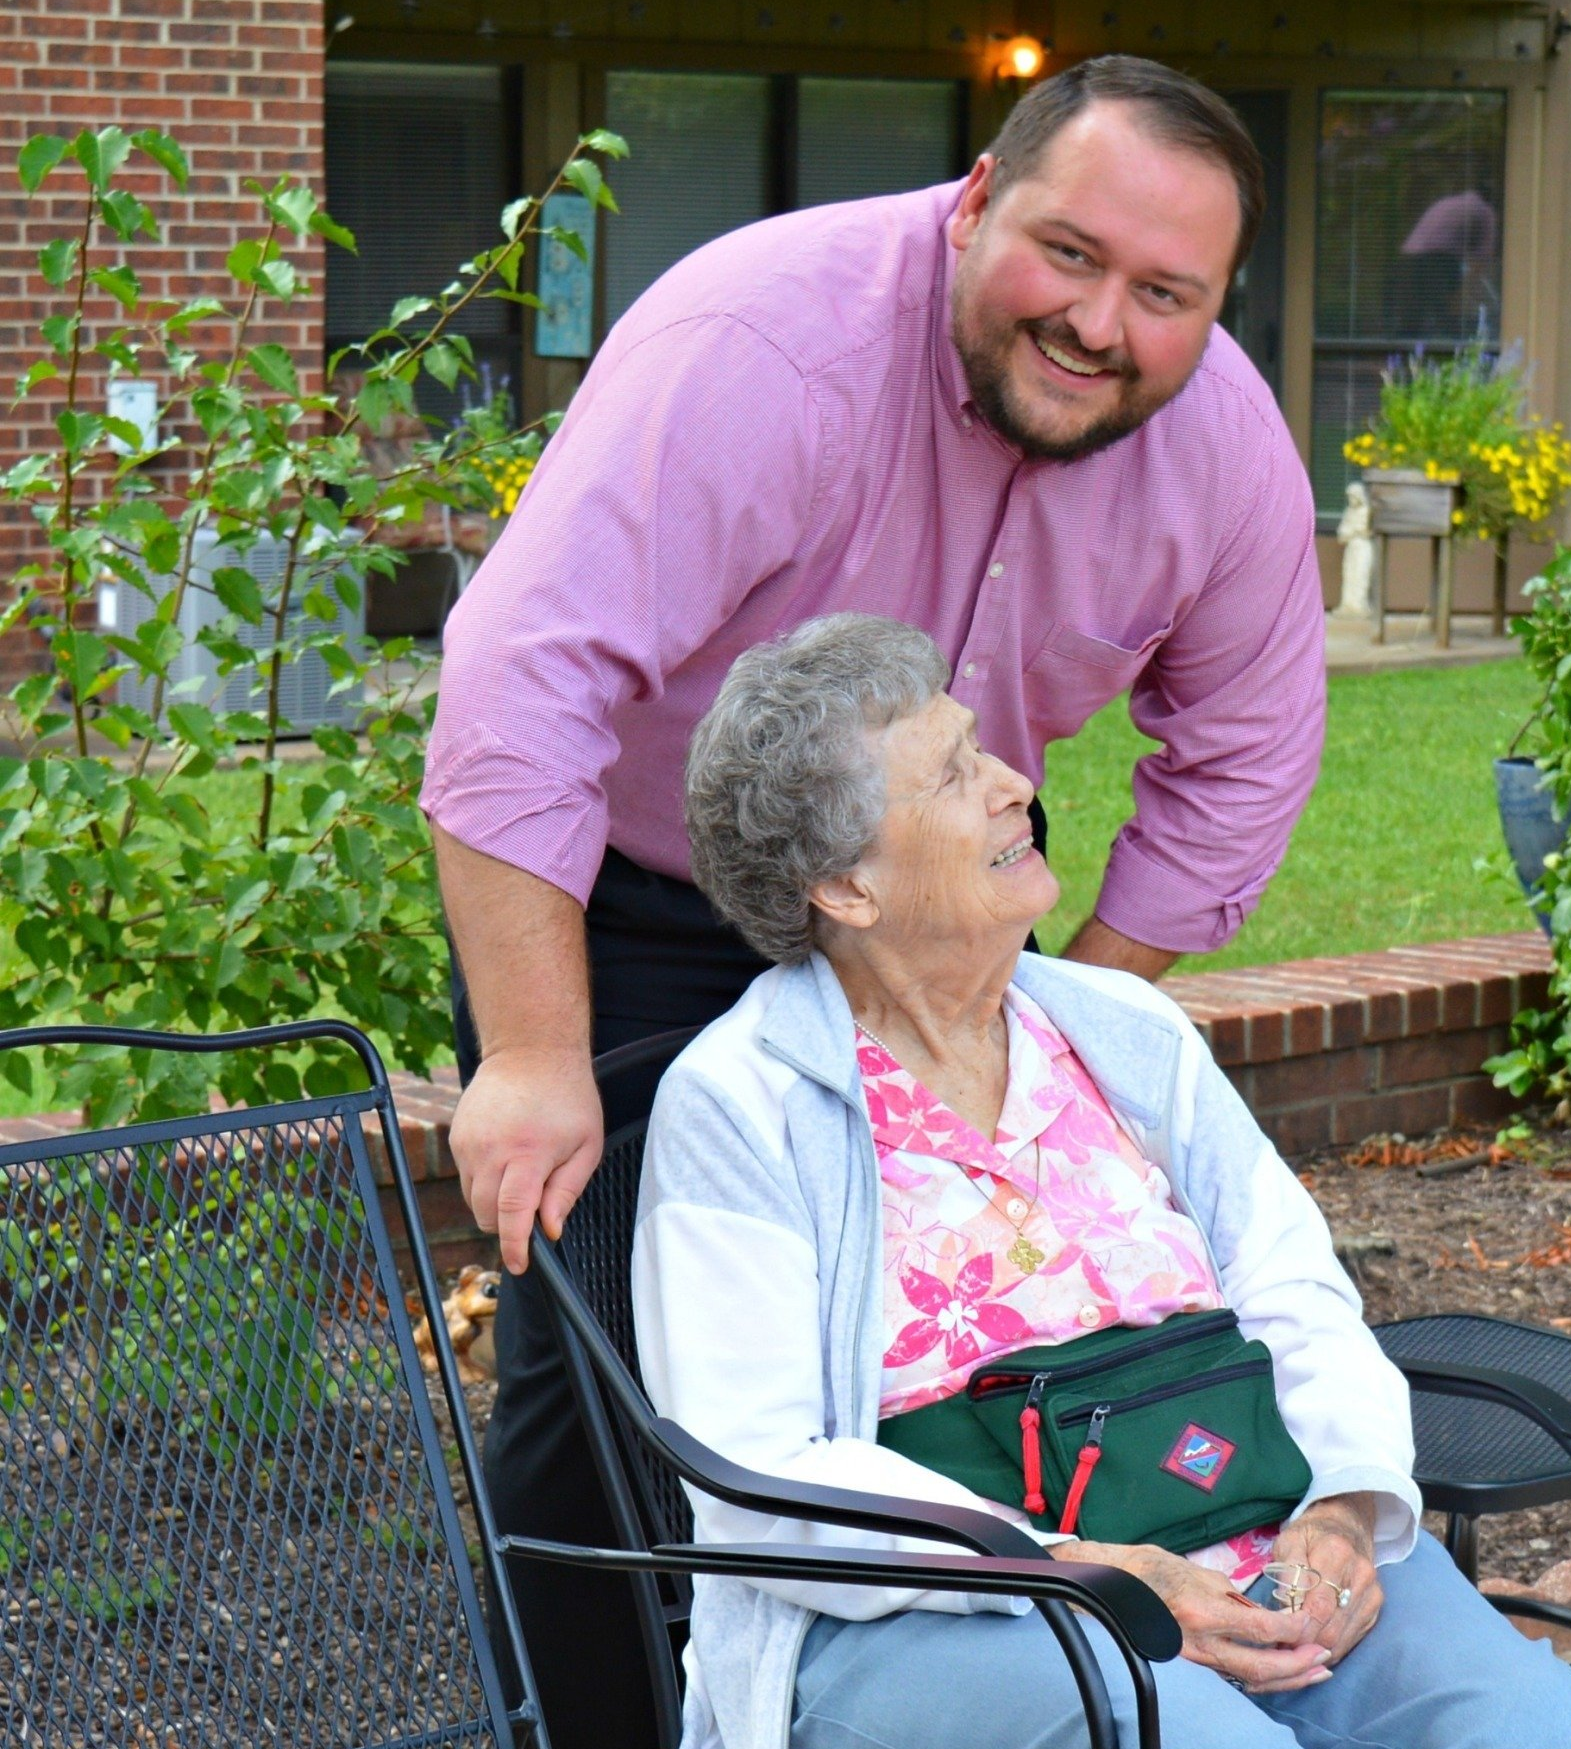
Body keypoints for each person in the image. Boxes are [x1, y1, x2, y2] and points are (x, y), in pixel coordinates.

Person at [424, 56, 1327, 1746]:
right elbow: (517, 687)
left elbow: (1246, 755)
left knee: (986, 1348)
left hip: (935, 888)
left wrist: (1073, 1008)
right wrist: (536, 1055)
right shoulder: (763, 347)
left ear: (1213, 309)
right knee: (606, 1384)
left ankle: (939, 1696)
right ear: (976, 197)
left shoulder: (1224, 450)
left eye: (1164, 294)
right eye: (1067, 251)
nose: (1099, 319)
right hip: (628, 899)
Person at [635, 614, 1571, 1749]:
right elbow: (762, 1472)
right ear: (846, 888)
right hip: (960, 1615)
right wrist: (1086, 1573)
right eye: (957, 773)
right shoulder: (744, 1104)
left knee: (1538, 1733)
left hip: (1256, 1546)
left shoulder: (1124, 1030)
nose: (1015, 784)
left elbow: (1290, 1285)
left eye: (986, 749)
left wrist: (1347, 1509)